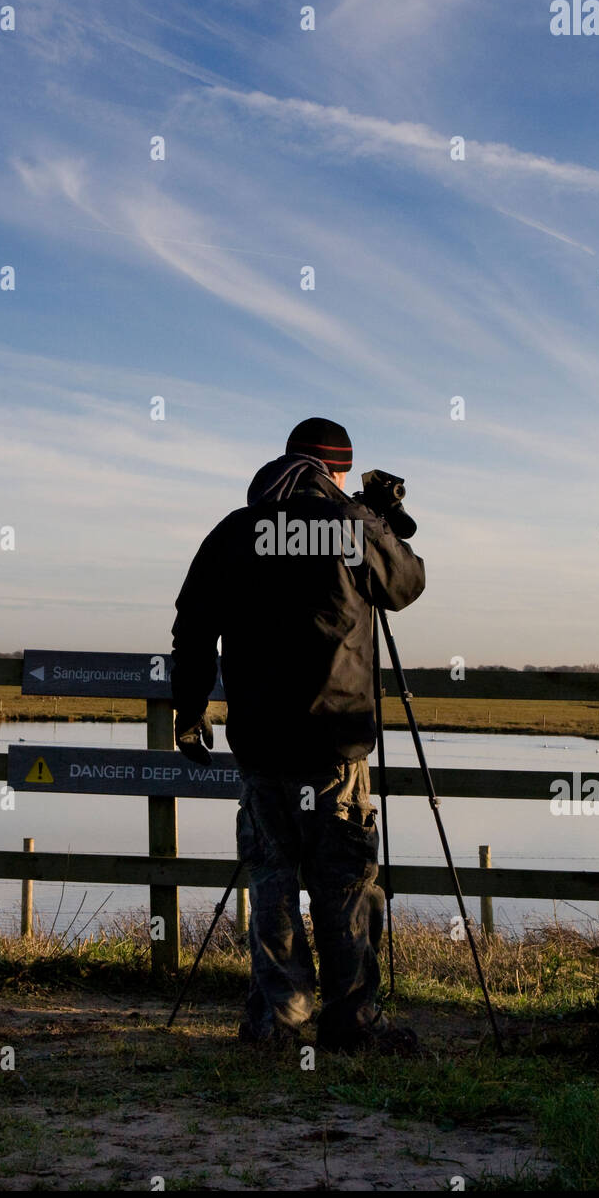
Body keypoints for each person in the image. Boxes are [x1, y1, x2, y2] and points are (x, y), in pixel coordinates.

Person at [169, 417, 426, 1053]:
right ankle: (353, 1023)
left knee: (272, 881)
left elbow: (192, 627)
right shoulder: (350, 526)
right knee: (344, 883)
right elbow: (407, 584)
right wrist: (379, 518)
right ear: (336, 471)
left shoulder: (235, 531)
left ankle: (278, 1022)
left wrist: (190, 708)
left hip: (260, 745)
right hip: (335, 743)